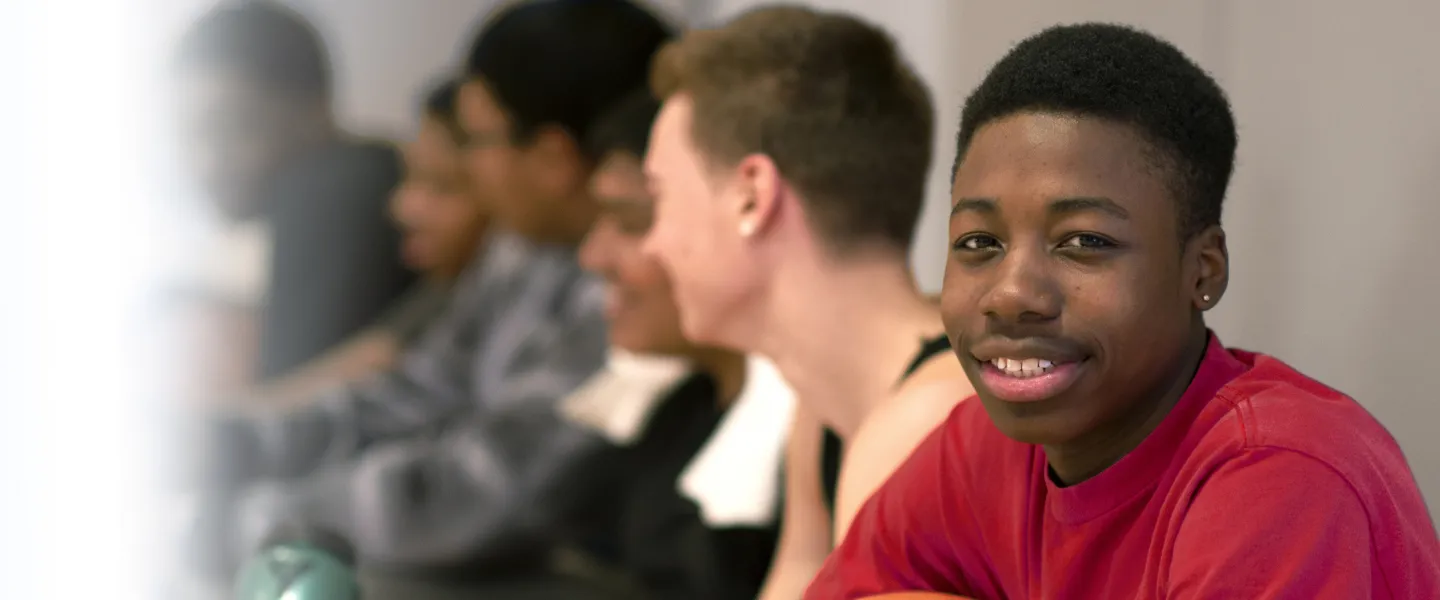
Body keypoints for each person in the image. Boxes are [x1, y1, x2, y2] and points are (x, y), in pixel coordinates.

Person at [806, 23, 1440, 600]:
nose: (1010, 293)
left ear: (1203, 271)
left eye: (1086, 242)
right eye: (980, 243)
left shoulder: (1284, 477)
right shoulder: (977, 453)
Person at [186, 0, 670, 588]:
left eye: (477, 141)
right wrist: (215, 447)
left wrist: (221, 528)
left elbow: (469, 496)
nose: (473, 169)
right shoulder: (525, 250)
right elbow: (408, 393)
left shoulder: (634, 290)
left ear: (552, 159)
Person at [640, 7, 974, 599]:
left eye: (660, 198)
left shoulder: (937, 421)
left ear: (752, 196)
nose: (652, 244)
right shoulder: (819, 414)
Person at [172, 0, 415, 384]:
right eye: (191, 134)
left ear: (313, 109)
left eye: (231, 128)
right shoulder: (367, 171)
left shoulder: (333, 189)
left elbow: (283, 423)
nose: (207, 163)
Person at [237, 78, 490, 411]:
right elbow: (371, 356)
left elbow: (369, 369)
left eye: (441, 186)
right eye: (411, 179)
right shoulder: (449, 289)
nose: (401, 208)